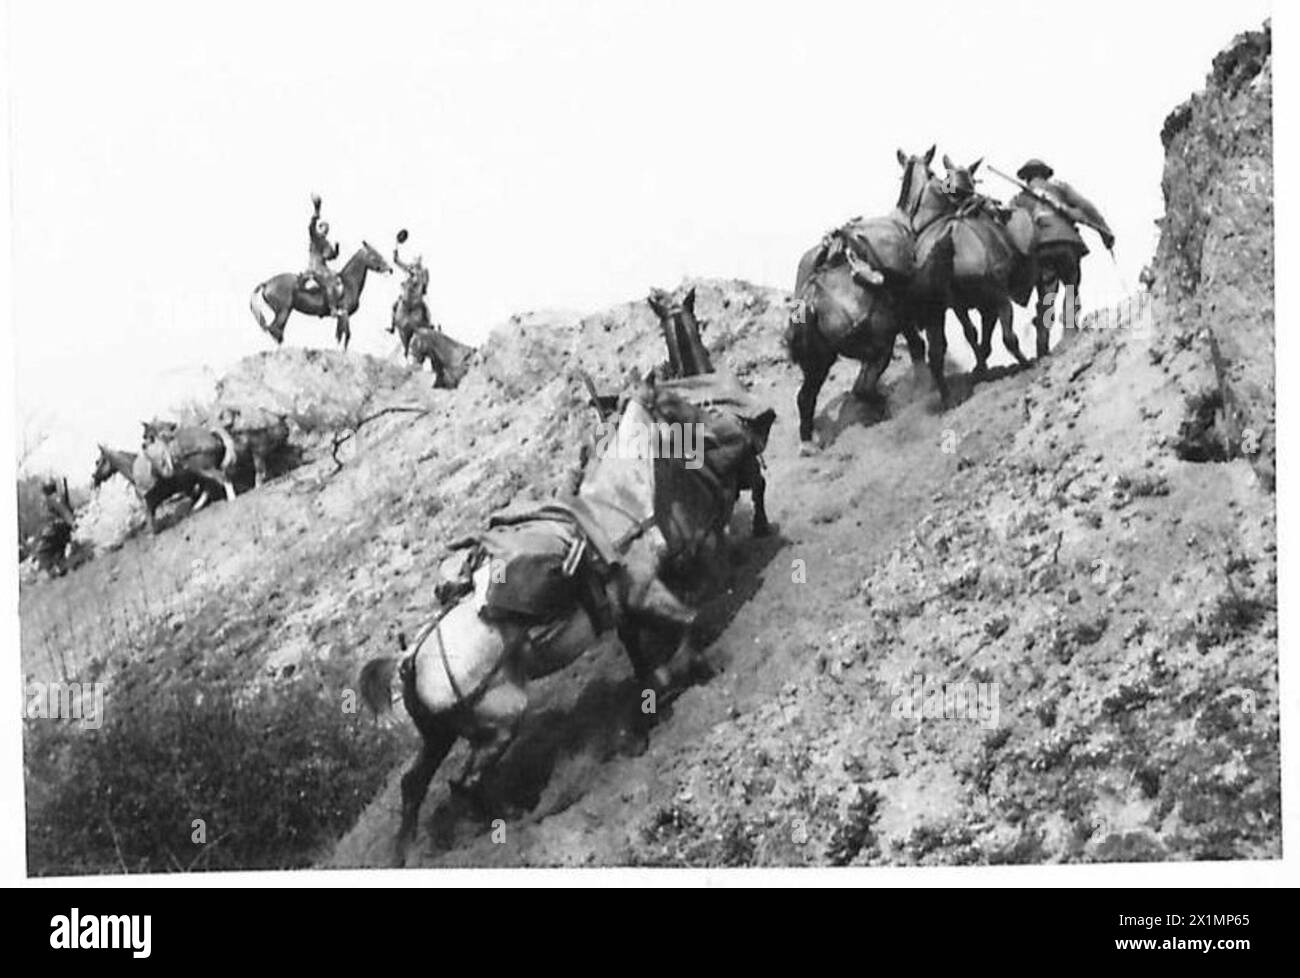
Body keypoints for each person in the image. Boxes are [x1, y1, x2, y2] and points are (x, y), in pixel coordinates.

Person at [1009, 159, 1115, 354]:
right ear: (1045, 174)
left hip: (1042, 247)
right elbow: (1085, 206)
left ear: (1027, 177)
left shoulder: (1020, 198)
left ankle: (1042, 342)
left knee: (1047, 295)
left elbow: (1013, 226)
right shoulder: (1060, 188)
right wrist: (1104, 231)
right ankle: (1070, 329)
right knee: (1071, 287)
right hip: (1067, 243)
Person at [305, 193, 345, 316]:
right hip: (315, 267)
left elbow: (330, 256)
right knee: (330, 281)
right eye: (323, 228)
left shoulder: (326, 242)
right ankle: (332, 308)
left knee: (337, 279)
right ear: (319, 228)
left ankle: (333, 303)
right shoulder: (315, 237)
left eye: (327, 230)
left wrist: (336, 251)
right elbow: (311, 228)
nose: (325, 231)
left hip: (323, 267)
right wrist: (316, 211)